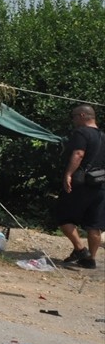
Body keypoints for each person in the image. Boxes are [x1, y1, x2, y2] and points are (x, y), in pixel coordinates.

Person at [56, 105, 104, 270]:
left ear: (83, 115)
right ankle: (91, 259)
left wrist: (68, 174)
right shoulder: (103, 135)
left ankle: (80, 249)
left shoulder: (81, 133)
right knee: (95, 224)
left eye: (74, 116)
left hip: (82, 183)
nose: (73, 120)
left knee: (63, 216)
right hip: (100, 184)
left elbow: (79, 154)